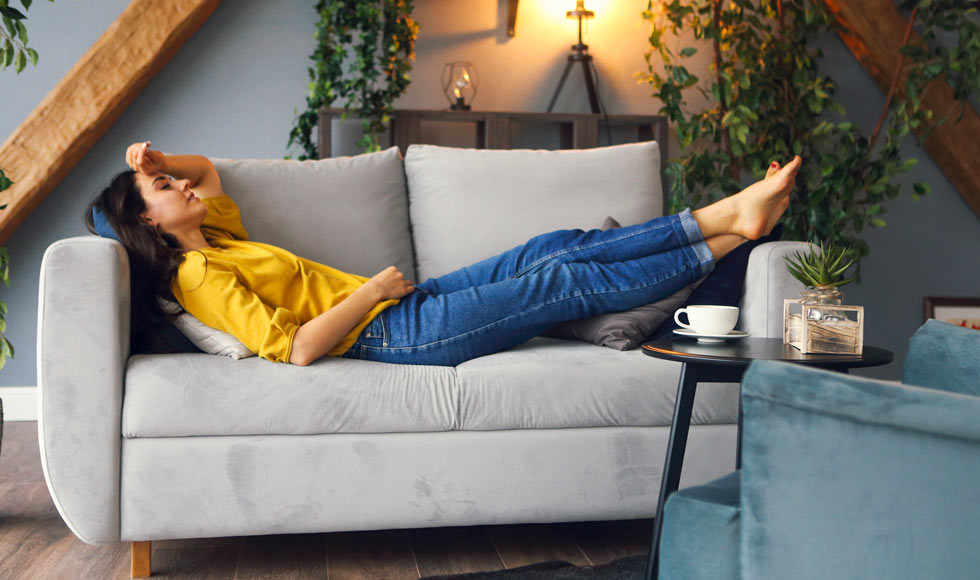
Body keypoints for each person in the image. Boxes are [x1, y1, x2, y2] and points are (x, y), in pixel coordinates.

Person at [85, 141, 801, 366]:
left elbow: (207, 171)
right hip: (396, 329)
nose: (180, 183)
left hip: (406, 305)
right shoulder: (199, 274)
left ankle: (729, 218)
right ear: (145, 218)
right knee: (558, 281)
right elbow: (296, 350)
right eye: (161, 184)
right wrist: (369, 295)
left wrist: (155, 154)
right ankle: (733, 228)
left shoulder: (221, 238)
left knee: (551, 246)